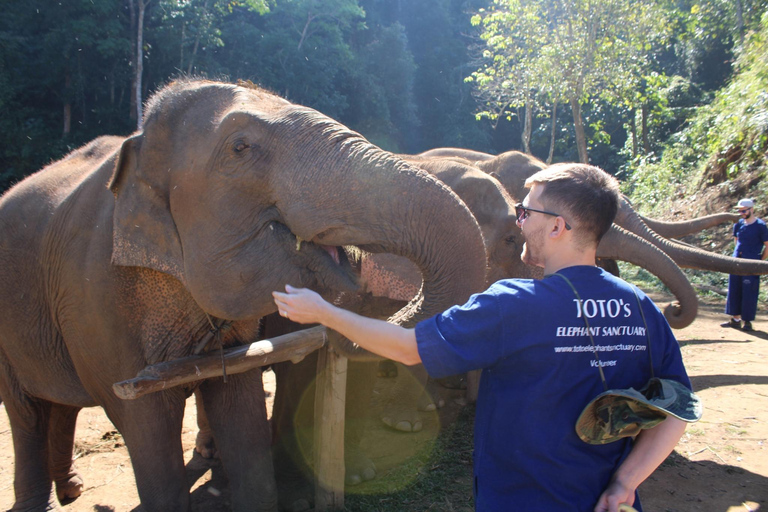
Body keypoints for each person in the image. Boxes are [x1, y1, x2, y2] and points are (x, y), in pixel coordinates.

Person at [273, 163, 694, 512]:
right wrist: (625, 483)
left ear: (558, 228)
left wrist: (324, 312)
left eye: (526, 213)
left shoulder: (514, 303)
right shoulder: (641, 308)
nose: (519, 220)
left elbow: (405, 347)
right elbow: (678, 410)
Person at [721, 198, 768, 332]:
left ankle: (747, 321)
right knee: (734, 289)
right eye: (739, 210)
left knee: (749, 291)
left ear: (751, 209)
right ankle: (735, 319)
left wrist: (759, 260)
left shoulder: (760, 226)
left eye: (743, 210)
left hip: (751, 264)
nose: (741, 213)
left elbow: (767, 245)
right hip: (736, 263)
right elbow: (737, 241)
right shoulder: (738, 224)